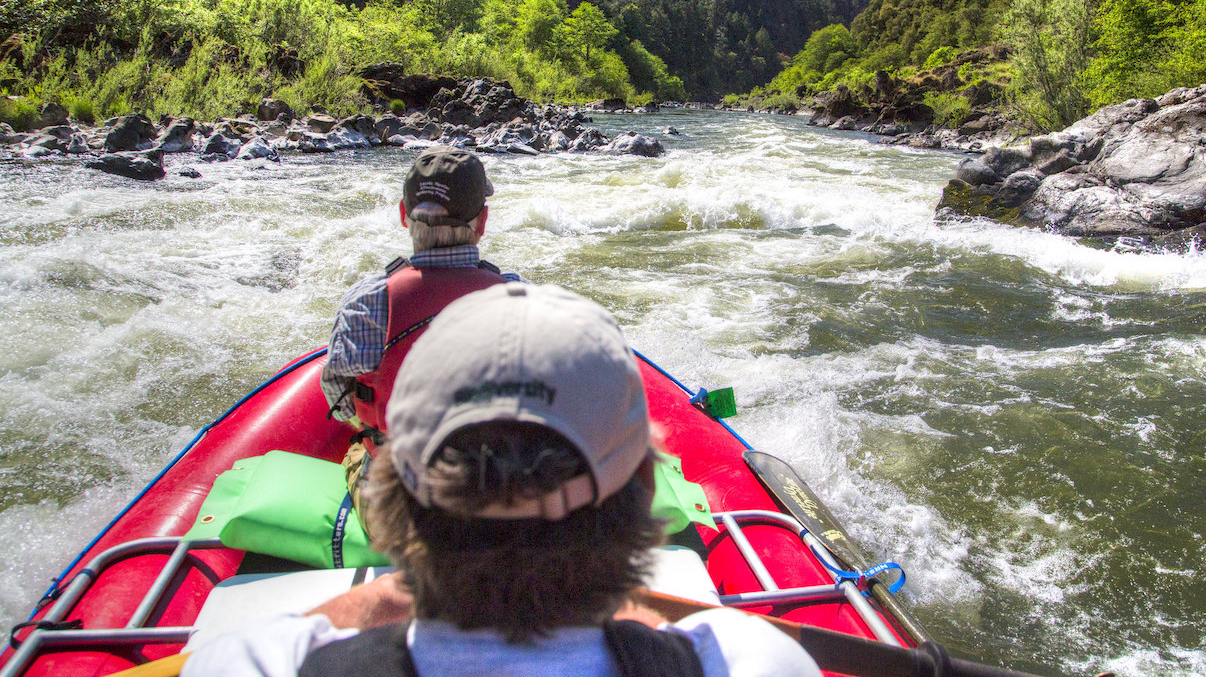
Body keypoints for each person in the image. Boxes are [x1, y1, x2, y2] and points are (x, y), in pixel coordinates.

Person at [181, 283, 821, 677]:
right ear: (644, 496)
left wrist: (396, 596)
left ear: (392, 501)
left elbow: (302, 635)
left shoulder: (251, 663)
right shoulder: (754, 660)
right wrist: (613, 604)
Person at [321, 146, 520, 521]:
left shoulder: (364, 302)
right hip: (499, 501)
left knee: (357, 448)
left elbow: (340, 398)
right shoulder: (521, 296)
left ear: (402, 214)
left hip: (401, 512)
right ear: (483, 222)